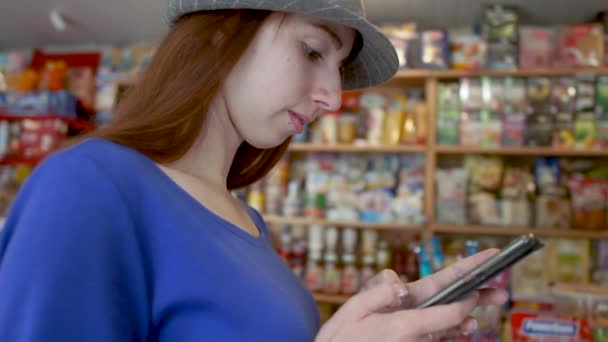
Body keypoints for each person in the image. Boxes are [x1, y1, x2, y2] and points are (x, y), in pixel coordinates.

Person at [0, 1, 508, 341]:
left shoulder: (243, 220)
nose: (333, 96)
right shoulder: (88, 186)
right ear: (224, 34)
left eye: (337, 65)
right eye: (312, 50)